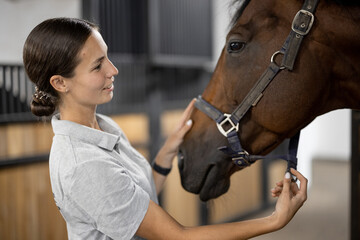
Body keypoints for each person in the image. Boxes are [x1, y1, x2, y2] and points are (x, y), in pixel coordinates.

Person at [23, 17, 308, 240]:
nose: (113, 69)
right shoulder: (84, 166)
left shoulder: (102, 125)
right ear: (60, 83)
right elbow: (177, 236)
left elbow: (137, 202)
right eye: (98, 66)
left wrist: (167, 152)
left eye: (107, 56)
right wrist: (274, 221)